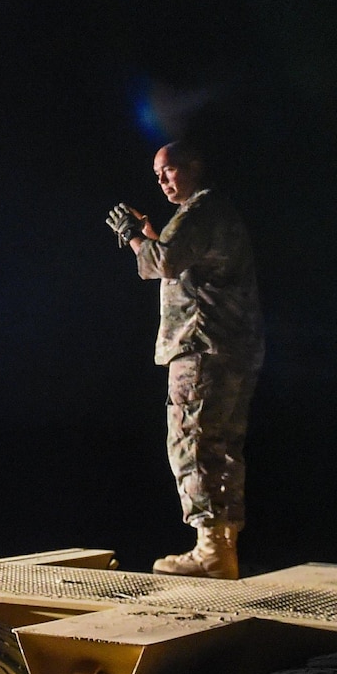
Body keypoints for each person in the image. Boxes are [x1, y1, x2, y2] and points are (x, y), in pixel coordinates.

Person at [107, 140, 265, 579]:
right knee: (223, 447)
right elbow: (178, 260)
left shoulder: (200, 211)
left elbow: (164, 261)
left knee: (191, 441)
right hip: (233, 349)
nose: (161, 180)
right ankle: (222, 547)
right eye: (157, 174)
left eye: (169, 170)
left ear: (195, 166)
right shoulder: (218, 213)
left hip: (200, 347)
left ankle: (210, 547)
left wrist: (135, 235)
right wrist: (151, 237)